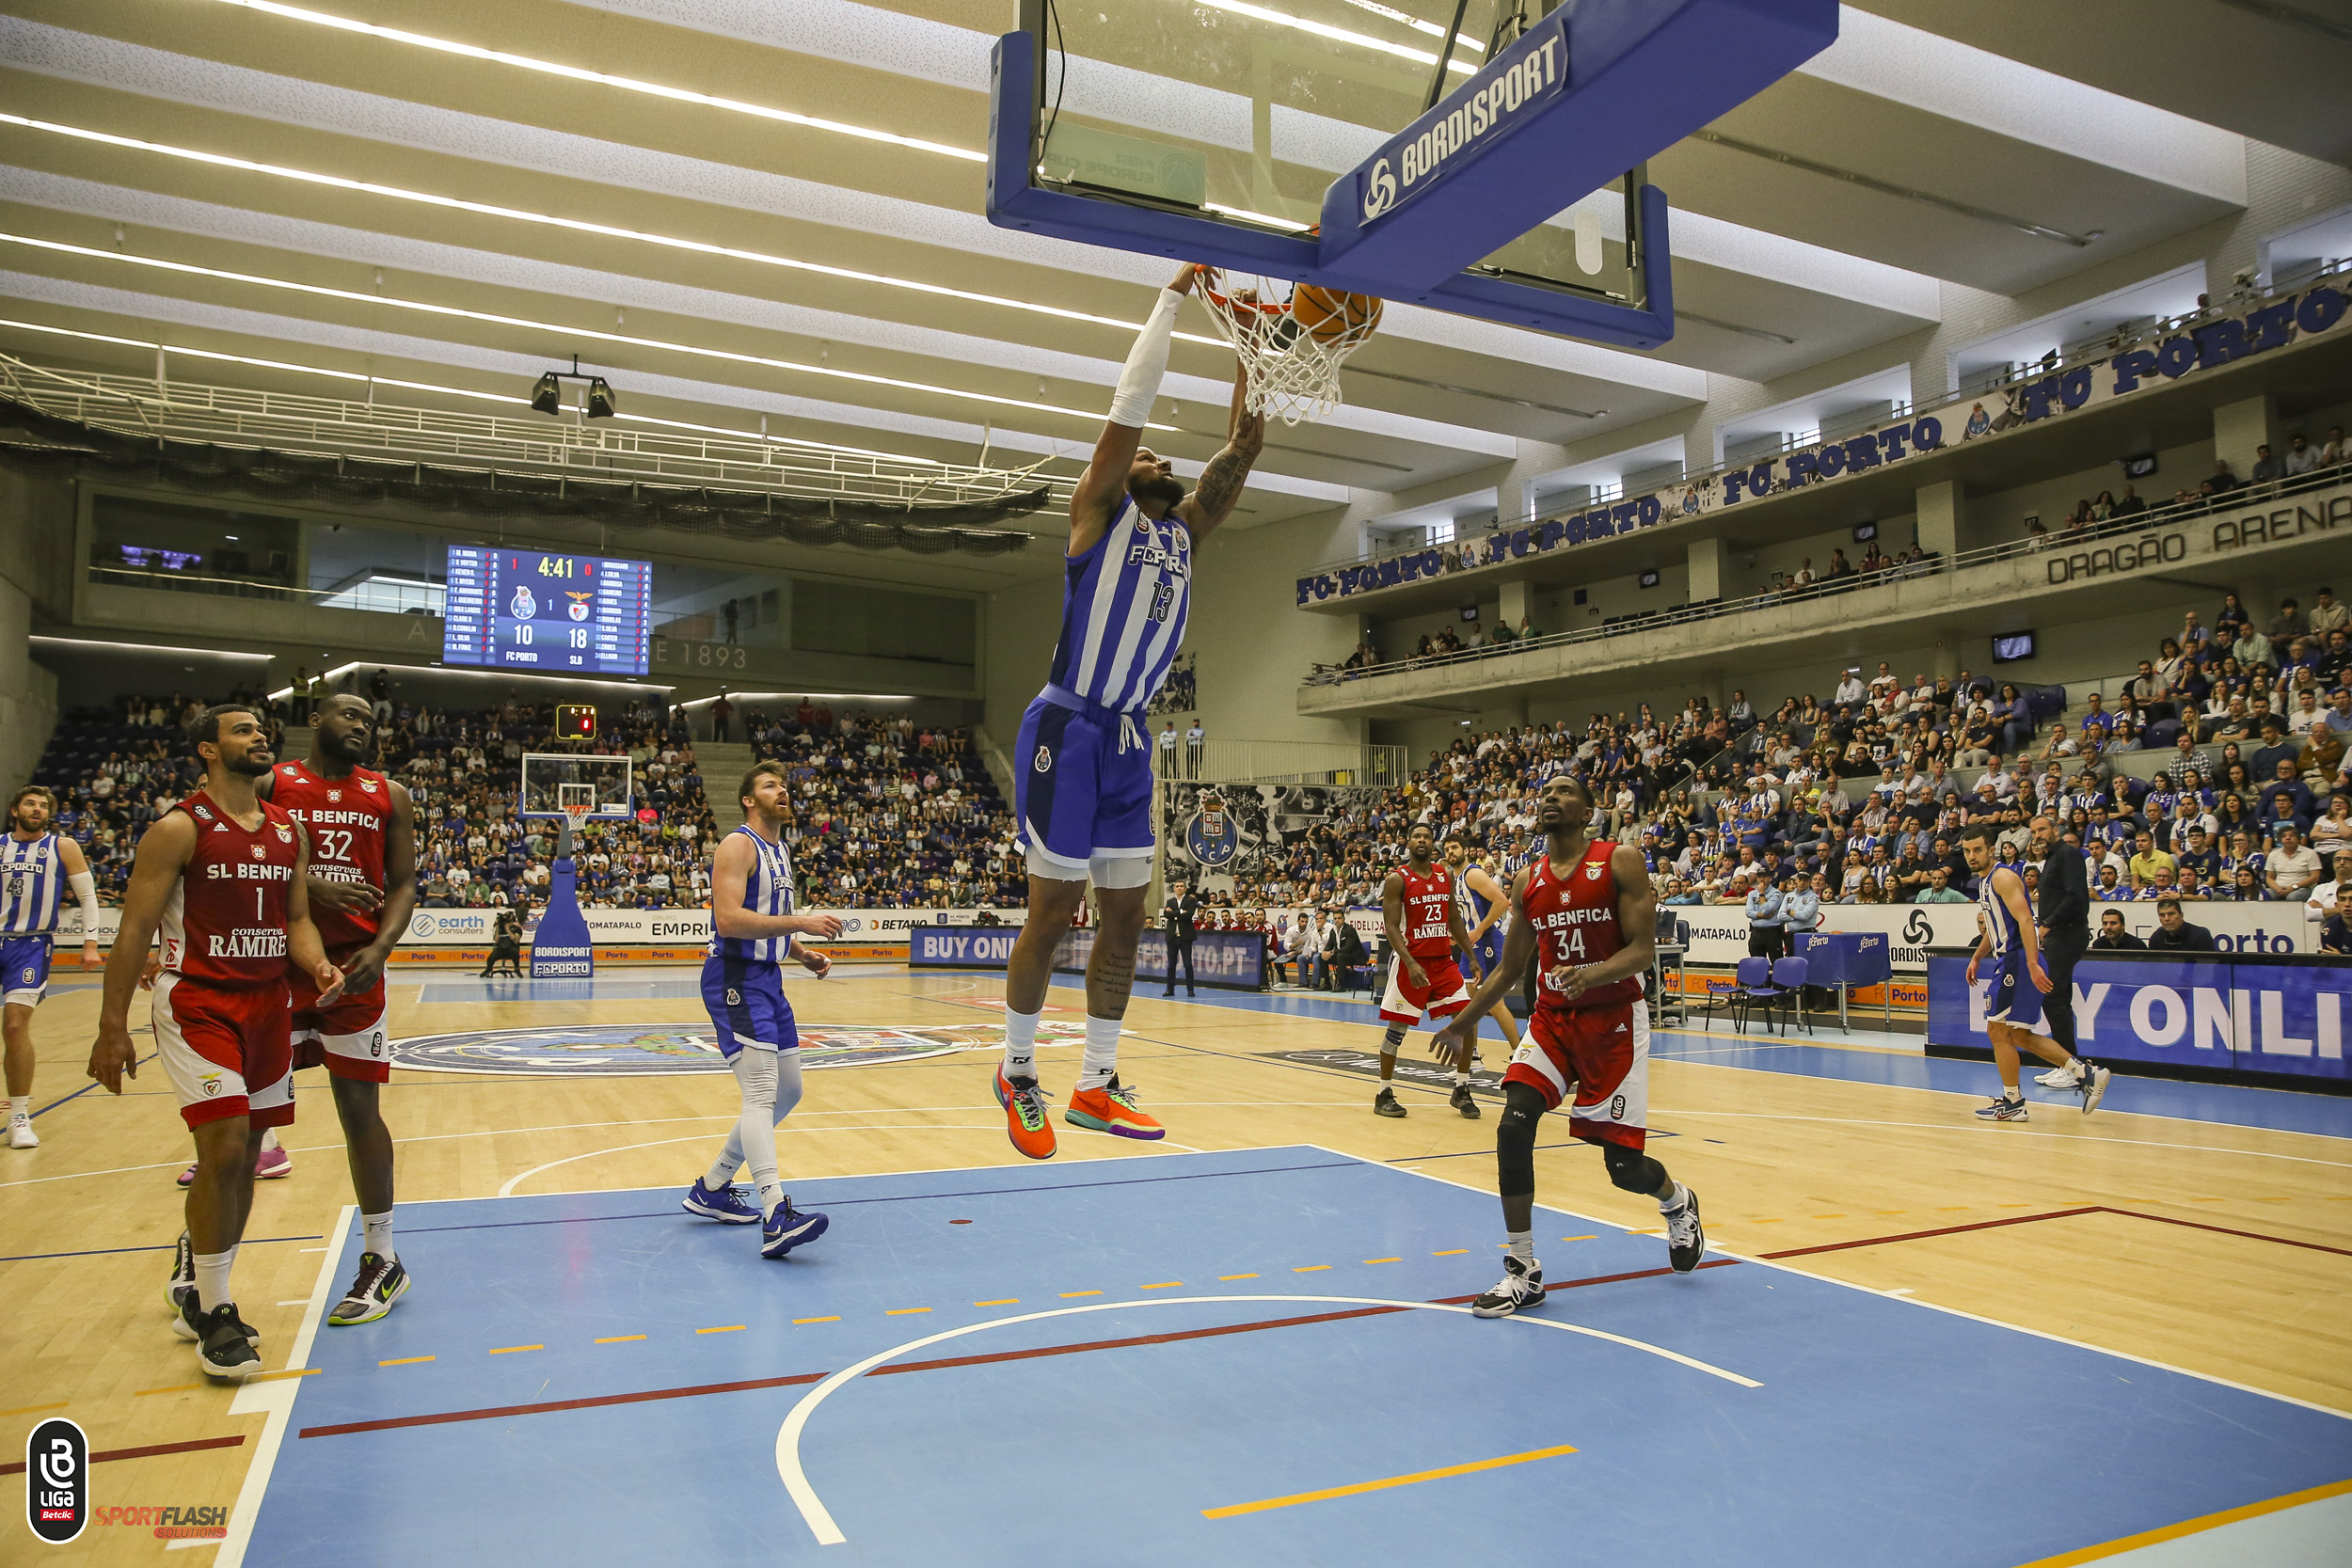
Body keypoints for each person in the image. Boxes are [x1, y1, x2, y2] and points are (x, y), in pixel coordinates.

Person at [993, 263, 1263, 1160]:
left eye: (1158, 459)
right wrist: (1174, 300)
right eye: (1146, 455)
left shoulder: (1184, 532)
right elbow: (1130, 405)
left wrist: (1256, 338)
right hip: (1068, 725)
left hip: (1128, 739)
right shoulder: (1096, 512)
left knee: (1125, 917)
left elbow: (1245, 444)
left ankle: (1096, 1080)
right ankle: (1018, 1067)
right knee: (1053, 906)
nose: (1155, 455)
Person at [87, 705, 343, 1380]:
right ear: (208, 749)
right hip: (197, 1000)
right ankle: (217, 1310)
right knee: (226, 1142)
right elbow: (134, 930)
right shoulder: (178, 827)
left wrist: (316, 965)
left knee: (248, 1152)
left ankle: (200, 1268)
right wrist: (112, 1025)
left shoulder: (290, 829)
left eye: (262, 729)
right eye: (242, 730)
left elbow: (296, 920)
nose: (259, 736)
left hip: (267, 1004)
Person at [1435, 774, 1701, 1319]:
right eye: (1545, 793)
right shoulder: (1528, 880)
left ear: (1588, 810)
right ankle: (1523, 1270)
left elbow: (1644, 951)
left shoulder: (1620, 861)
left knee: (1624, 1169)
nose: (1550, 798)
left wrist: (1594, 973)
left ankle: (1677, 1202)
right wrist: (1462, 1023)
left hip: (1614, 1022)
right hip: (1555, 1020)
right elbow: (1510, 968)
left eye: (1563, 791)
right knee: (1513, 1123)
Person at [206, 693, 419, 1327]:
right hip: (276, 965)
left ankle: (382, 1255)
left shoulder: (389, 793)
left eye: (371, 719)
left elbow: (405, 881)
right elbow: (245, 849)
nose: (362, 725)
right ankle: (210, 1252)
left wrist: (381, 948)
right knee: (245, 1127)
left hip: (354, 967)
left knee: (361, 1114)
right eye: (350, 714)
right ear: (316, 719)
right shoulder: (273, 781)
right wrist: (312, 883)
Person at [679, 763, 840, 1258]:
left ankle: (712, 1188)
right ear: (750, 800)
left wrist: (798, 951)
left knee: (789, 1089)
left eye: (785, 786)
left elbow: (764, 920)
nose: (782, 792)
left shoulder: (780, 850)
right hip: (735, 978)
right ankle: (776, 1213)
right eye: (771, 786)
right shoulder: (738, 845)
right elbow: (729, 921)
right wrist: (803, 923)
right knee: (762, 1091)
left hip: (767, 978)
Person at [1960, 823, 2109, 1121]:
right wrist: (1976, 957)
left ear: (1992, 849)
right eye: (1966, 851)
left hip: (2016, 961)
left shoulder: (2002, 876)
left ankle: (2013, 1103)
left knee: (1997, 1030)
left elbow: (2027, 921)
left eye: (1977, 849)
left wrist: (2030, 962)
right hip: (2011, 959)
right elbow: (1996, 927)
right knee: (2018, 1035)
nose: (1971, 856)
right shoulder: (1985, 881)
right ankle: (2085, 1073)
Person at [2, 786, 102, 1149]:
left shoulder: (63, 847)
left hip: (31, 943)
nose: (37, 809)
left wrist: (90, 943)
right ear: (15, 809)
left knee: (14, 1026)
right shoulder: (0, 846)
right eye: (30, 803)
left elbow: (88, 897)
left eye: (43, 805)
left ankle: (19, 1116)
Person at [1372, 823, 1476, 1119]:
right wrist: (1410, 961)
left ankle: (1462, 1088)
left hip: (1443, 961)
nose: (1422, 840)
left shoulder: (1446, 875)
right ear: (1408, 843)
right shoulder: (1397, 879)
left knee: (1468, 1020)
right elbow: (1391, 926)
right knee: (1396, 1031)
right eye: (1416, 836)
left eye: (1427, 837)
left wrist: (1472, 954)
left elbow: (1454, 917)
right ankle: (1383, 1092)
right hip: (1411, 962)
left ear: (1434, 844)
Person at [1443, 832, 1521, 1095]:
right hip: (1471, 946)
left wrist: (1478, 930)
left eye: (1455, 847)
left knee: (1493, 1003)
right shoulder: (1454, 879)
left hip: (1488, 942)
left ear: (1466, 849)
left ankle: (1521, 1057)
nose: (1451, 851)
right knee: (1469, 1001)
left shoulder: (1473, 874)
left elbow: (1502, 902)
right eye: (1447, 848)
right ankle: (1472, 1056)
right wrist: (1459, 934)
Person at [2028, 815, 2097, 1093]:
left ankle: (2071, 1067)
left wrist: (2046, 925)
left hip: (2067, 932)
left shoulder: (2067, 854)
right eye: (2033, 831)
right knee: (2058, 996)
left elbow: (2077, 897)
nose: (2037, 835)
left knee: (2051, 994)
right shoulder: (2052, 859)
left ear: (2055, 830)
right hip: (2060, 933)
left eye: (2042, 829)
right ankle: (2067, 1064)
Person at [1160, 876, 1200, 997]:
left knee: (1187, 964)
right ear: (1174, 888)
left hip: (1185, 937)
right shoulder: (1170, 901)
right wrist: (1180, 912)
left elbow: (1189, 915)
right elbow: (1167, 914)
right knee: (1171, 964)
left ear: (1185, 888)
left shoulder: (1190, 900)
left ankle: (1190, 989)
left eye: (1181, 886)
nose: (1179, 888)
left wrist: (1174, 914)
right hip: (1172, 936)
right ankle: (1170, 989)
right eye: (1177, 886)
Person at [2146, 895, 2216, 951]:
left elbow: (2209, 966)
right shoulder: (2157, 937)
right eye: (2162, 915)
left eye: (2171, 914)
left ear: (2181, 915)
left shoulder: (2200, 936)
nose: (2166, 919)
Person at [482, 908, 524, 977]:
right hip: (501, 948)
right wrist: (497, 927)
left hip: (512, 948)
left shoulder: (516, 928)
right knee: (490, 958)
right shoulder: (501, 928)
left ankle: (517, 969)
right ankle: (488, 969)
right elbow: (496, 940)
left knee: (514, 952)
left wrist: (508, 930)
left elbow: (515, 941)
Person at [2320, 888, 2352, 956]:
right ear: (2336, 905)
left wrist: (2342, 959)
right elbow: (2330, 963)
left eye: (2351, 899)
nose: (2347, 904)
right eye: (2342, 899)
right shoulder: (2329, 930)